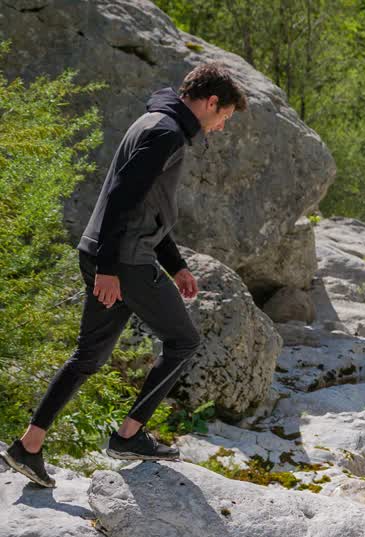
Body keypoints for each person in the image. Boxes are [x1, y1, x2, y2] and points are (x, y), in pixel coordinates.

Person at [1, 63, 247, 488]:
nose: (221, 127)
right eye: (224, 116)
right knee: (184, 341)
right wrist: (110, 270)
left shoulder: (153, 121)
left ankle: (28, 446)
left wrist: (176, 265)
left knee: (89, 356)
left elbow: (142, 205)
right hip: (124, 261)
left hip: (107, 251)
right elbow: (120, 199)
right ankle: (129, 436)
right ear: (211, 102)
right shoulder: (166, 132)